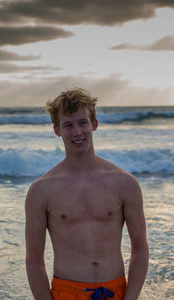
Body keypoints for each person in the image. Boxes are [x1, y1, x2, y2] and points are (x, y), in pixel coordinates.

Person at [25, 88, 149, 300]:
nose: (77, 132)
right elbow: (34, 261)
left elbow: (140, 249)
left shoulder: (125, 183)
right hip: (65, 293)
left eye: (82, 122)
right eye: (68, 125)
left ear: (94, 124)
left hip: (116, 292)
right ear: (57, 130)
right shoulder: (41, 190)